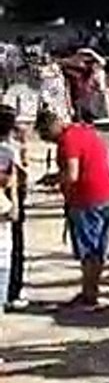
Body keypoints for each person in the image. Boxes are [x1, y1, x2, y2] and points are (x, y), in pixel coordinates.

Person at [36, 108, 109, 309]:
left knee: (88, 248)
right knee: (99, 247)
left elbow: (72, 174)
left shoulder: (67, 141)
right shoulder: (84, 131)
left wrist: (52, 179)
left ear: (53, 127)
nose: (47, 140)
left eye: (45, 134)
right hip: (108, 192)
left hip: (87, 198)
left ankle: (89, 294)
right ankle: (92, 289)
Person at [0, 105, 27, 311]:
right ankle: (11, 292)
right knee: (10, 249)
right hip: (6, 201)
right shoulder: (9, 149)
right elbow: (17, 179)